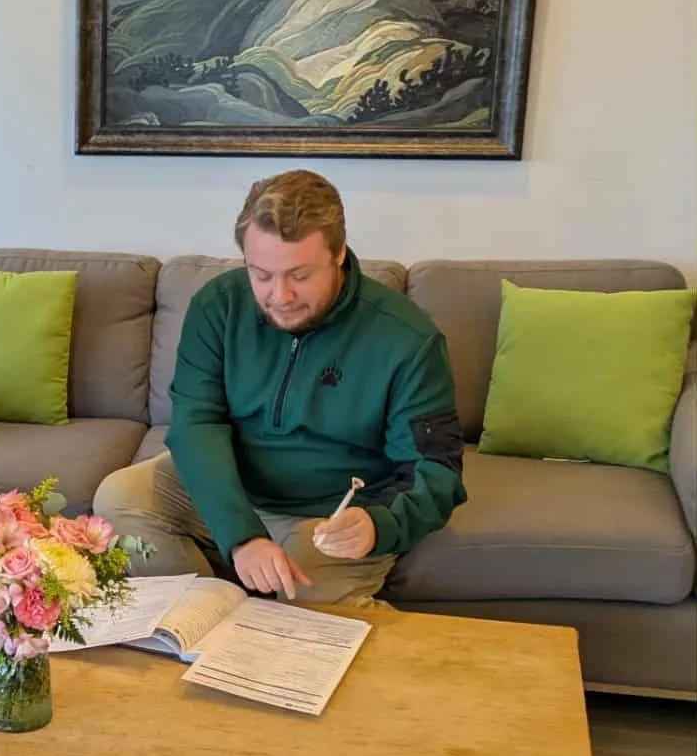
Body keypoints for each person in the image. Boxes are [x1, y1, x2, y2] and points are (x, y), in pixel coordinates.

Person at [94, 171, 465, 606]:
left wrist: (380, 525)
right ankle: (205, 618)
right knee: (119, 498)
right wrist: (241, 535)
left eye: (300, 275)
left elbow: (436, 469)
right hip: (231, 488)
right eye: (261, 275)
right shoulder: (218, 305)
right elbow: (196, 423)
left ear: (339, 254)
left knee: (309, 612)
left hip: (330, 517)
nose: (280, 296)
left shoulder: (407, 338)